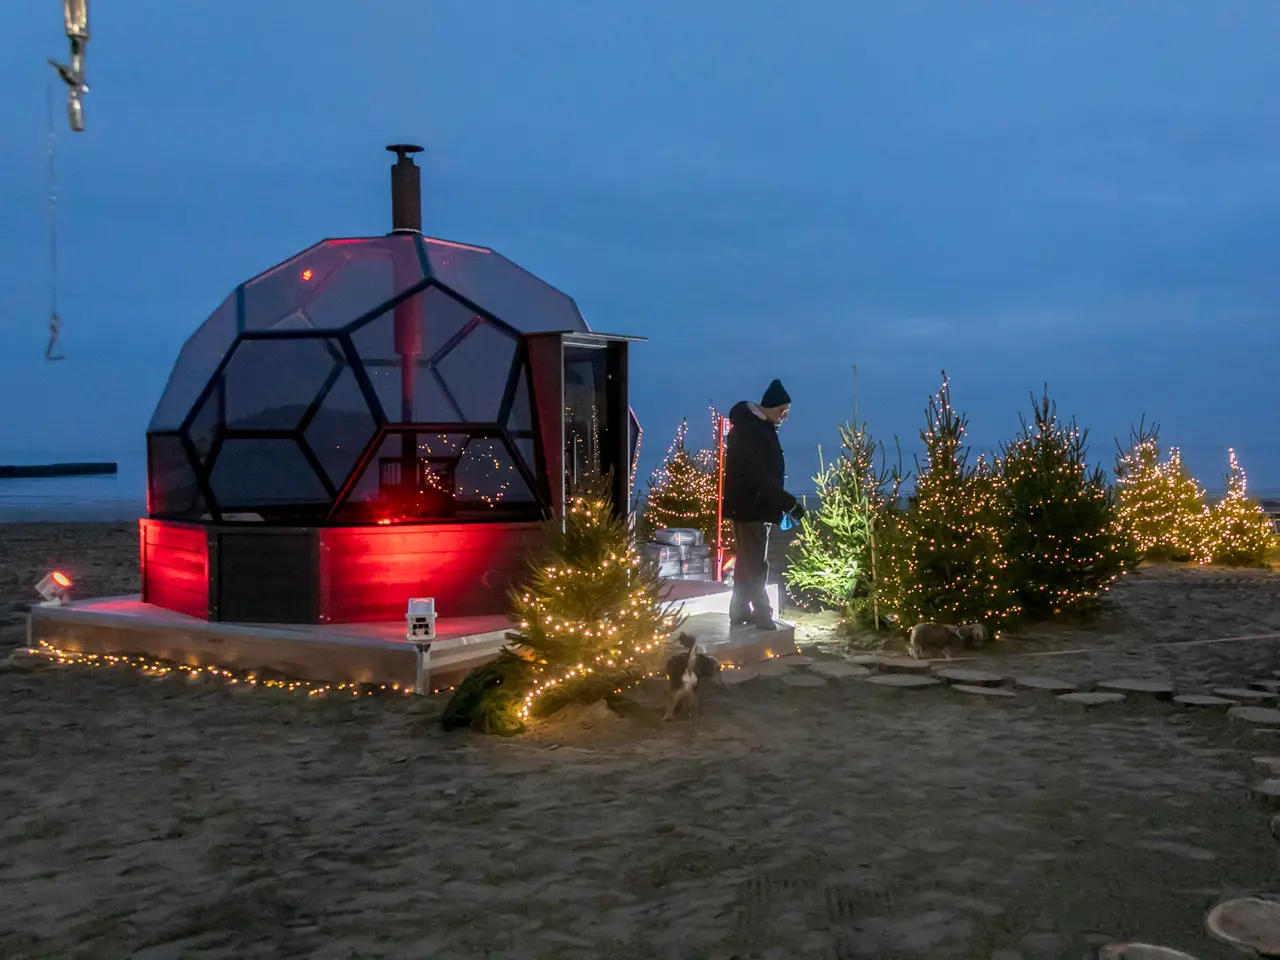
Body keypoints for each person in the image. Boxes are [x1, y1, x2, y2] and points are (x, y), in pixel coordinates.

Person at [722, 379, 804, 630]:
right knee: (756, 564)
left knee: (748, 563)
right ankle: (762, 613)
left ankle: (738, 611)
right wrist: (788, 502)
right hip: (751, 508)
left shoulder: (757, 428)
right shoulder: (752, 430)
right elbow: (758, 476)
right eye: (783, 410)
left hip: (752, 507)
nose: (785, 416)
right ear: (773, 406)